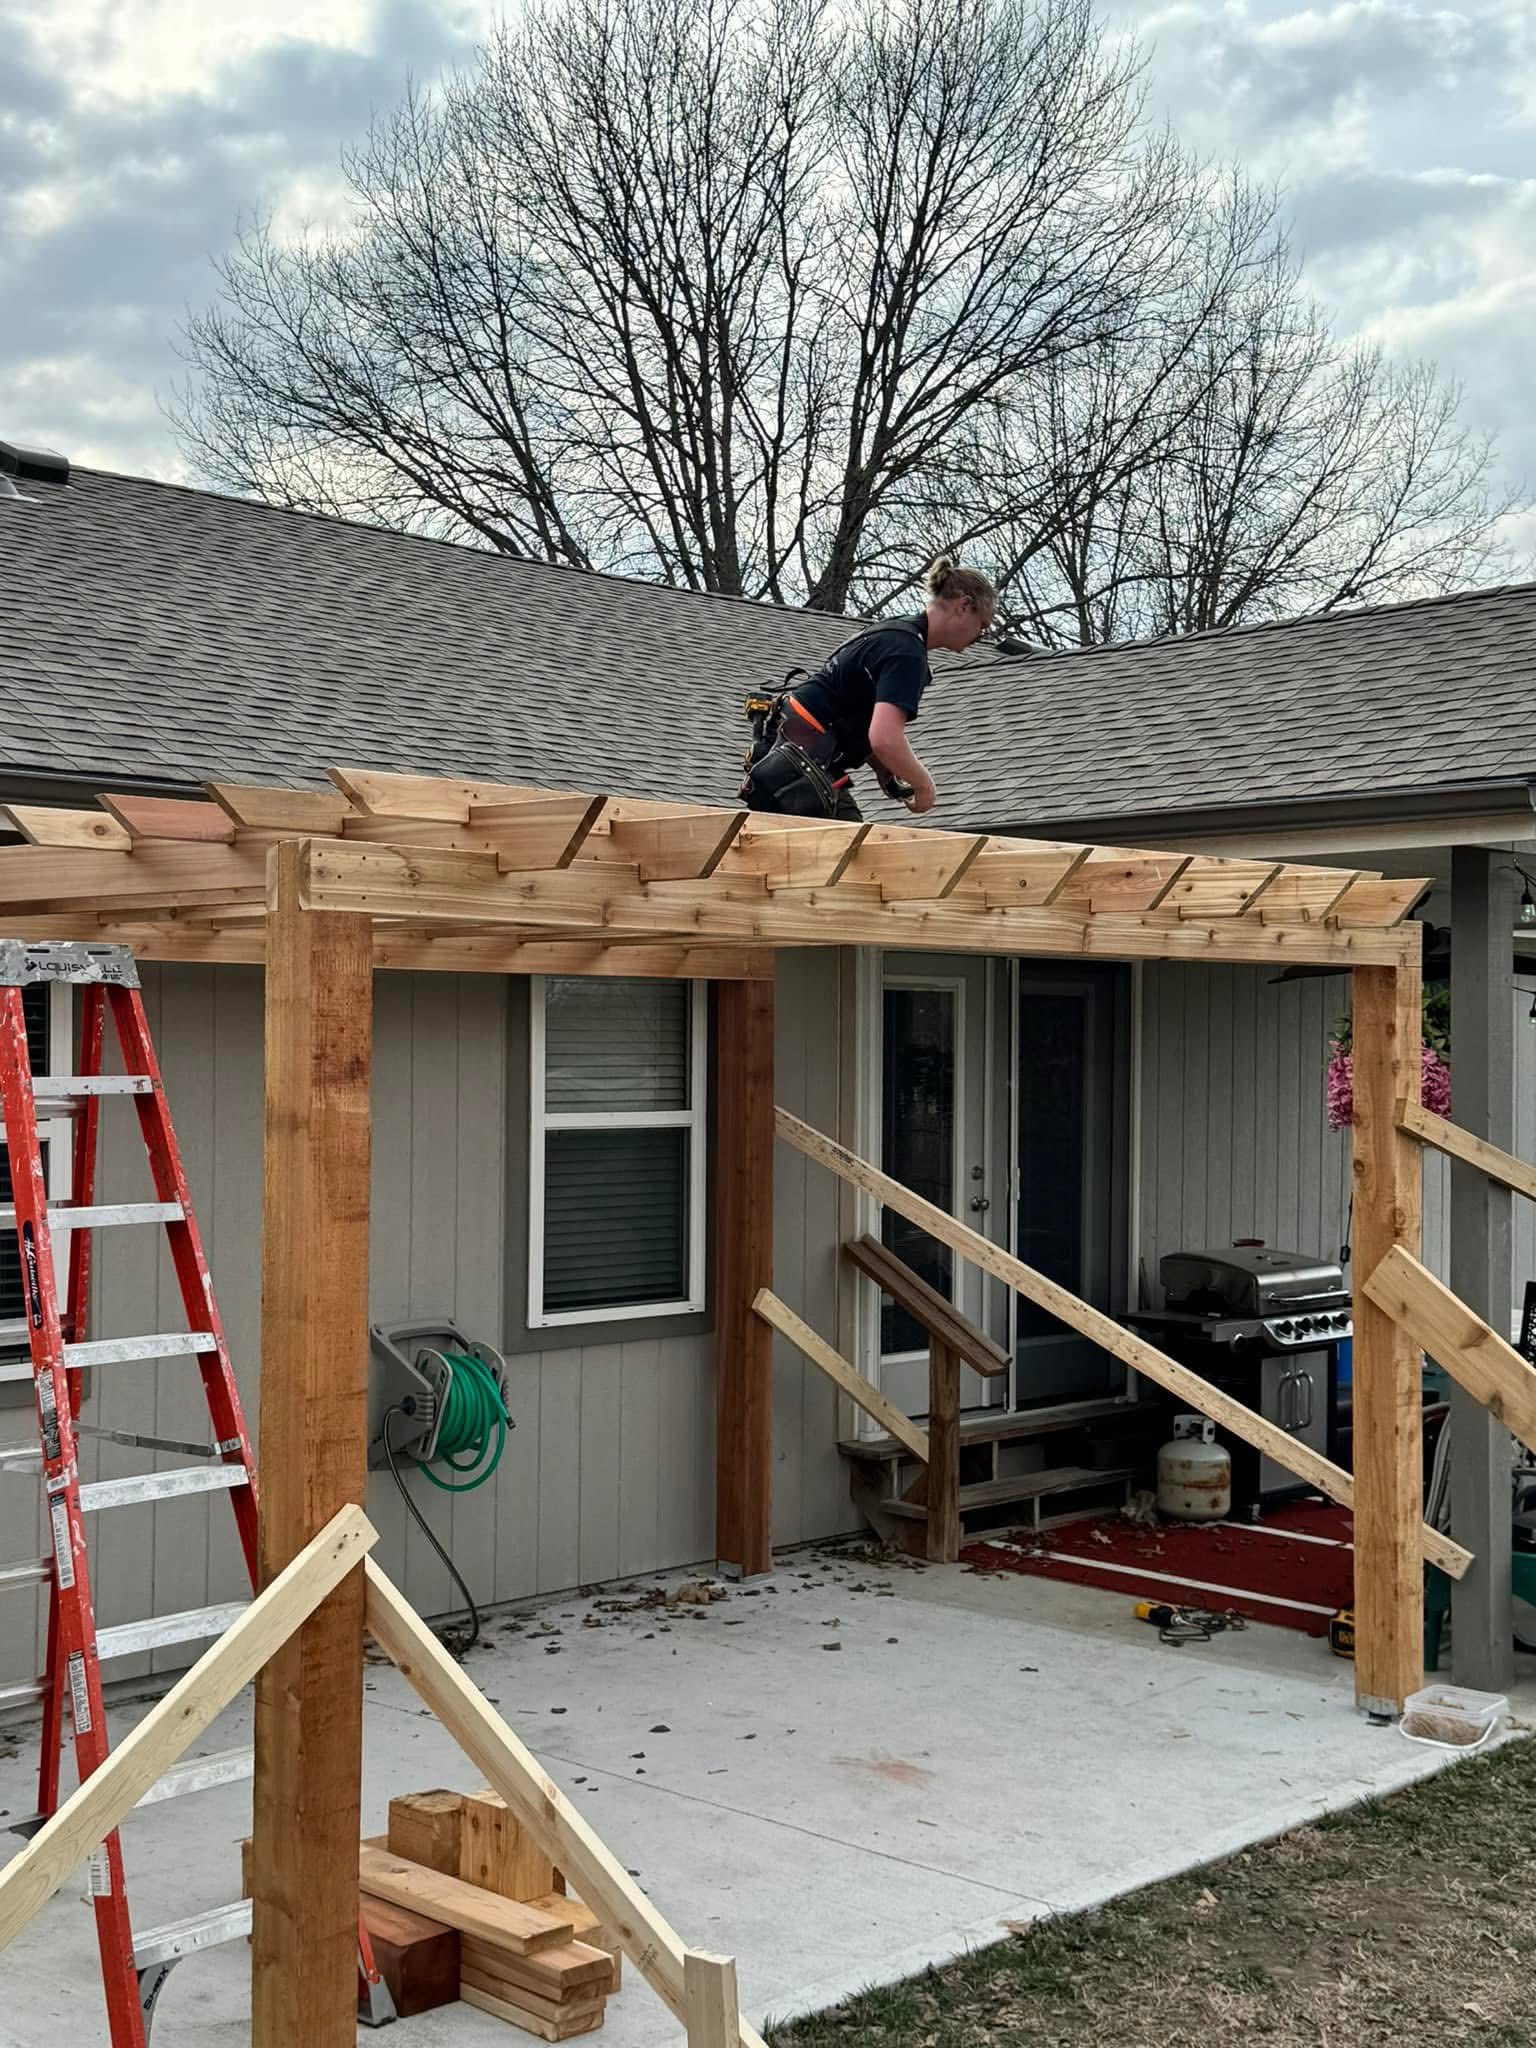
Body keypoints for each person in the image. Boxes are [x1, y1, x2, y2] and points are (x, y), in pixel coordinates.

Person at [739, 556, 997, 820]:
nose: (980, 637)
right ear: (965, 605)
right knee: (855, 853)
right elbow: (885, 738)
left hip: (792, 758)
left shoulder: (893, 632)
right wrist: (924, 785)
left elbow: (850, 707)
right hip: (802, 766)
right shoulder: (907, 653)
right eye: (983, 626)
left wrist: (882, 767)